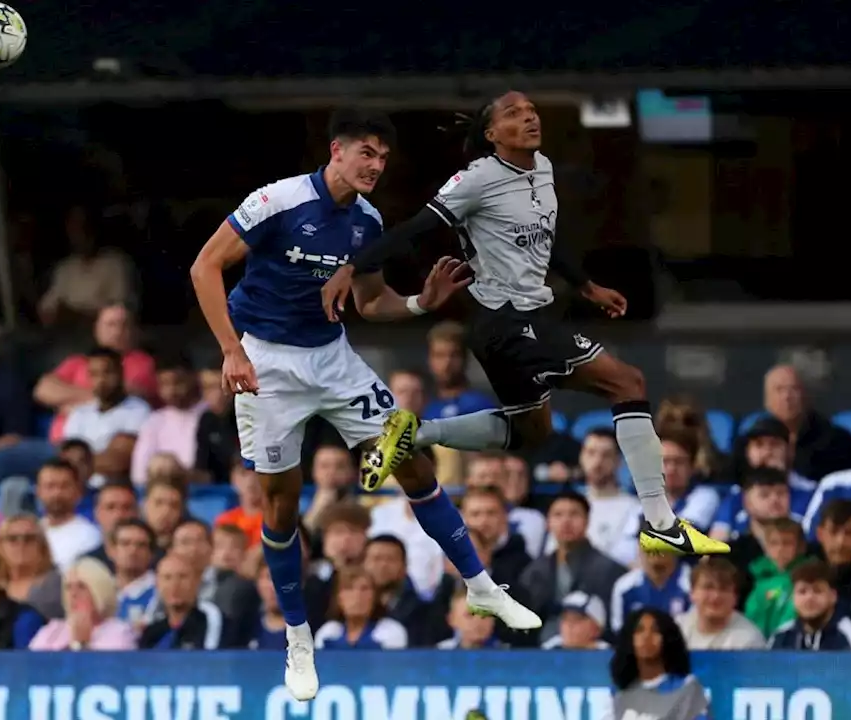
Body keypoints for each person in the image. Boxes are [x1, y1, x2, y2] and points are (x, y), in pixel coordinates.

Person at [189, 107, 538, 700]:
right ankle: (298, 640)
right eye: (366, 153)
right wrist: (230, 351)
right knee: (279, 504)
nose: (376, 165)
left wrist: (423, 304)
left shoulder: (369, 221)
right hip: (264, 360)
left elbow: (373, 303)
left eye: (383, 157)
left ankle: (480, 585)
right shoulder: (277, 200)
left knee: (411, 457)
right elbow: (205, 267)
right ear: (337, 151)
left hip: (331, 358)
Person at [319, 91, 729, 558]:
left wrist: (586, 287)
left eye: (531, 110)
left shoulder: (543, 169)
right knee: (627, 382)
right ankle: (661, 523)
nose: (529, 116)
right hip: (508, 320)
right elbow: (413, 229)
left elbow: (543, 238)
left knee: (532, 431)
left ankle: (415, 431)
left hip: (520, 322)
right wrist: (351, 268)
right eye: (513, 114)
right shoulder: (475, 179)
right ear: (492, 134)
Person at [609, 608, 711, 720]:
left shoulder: (688, 688)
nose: (646, 636)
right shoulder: (620, 692)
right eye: (639, 630)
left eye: (655, 630)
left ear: (668, 638)